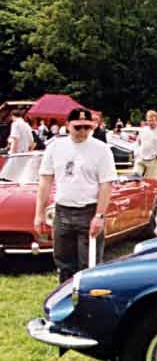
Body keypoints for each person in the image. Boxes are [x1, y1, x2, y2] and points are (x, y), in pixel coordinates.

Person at [34, 108, 118, 282]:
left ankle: (88, 306)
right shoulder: (55, 147)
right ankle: (65, 302)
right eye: (78, 127)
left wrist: (100, 216)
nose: (83, 132)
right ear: (67, 126)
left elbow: (106, 184)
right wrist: (39, 213)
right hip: (62, 212)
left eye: (87, 127)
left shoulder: (101, 150)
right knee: (64, 264)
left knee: (89, 266)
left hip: (89, 211)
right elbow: (45, 180)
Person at [131, 110, 157, 178]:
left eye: (153, 120)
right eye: (149, 120)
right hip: (140, 159)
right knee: (135, 177)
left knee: (149, 181)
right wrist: (136, 153)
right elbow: (137, 142)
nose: (151, 122)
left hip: (152, 160)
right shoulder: (143, 130)